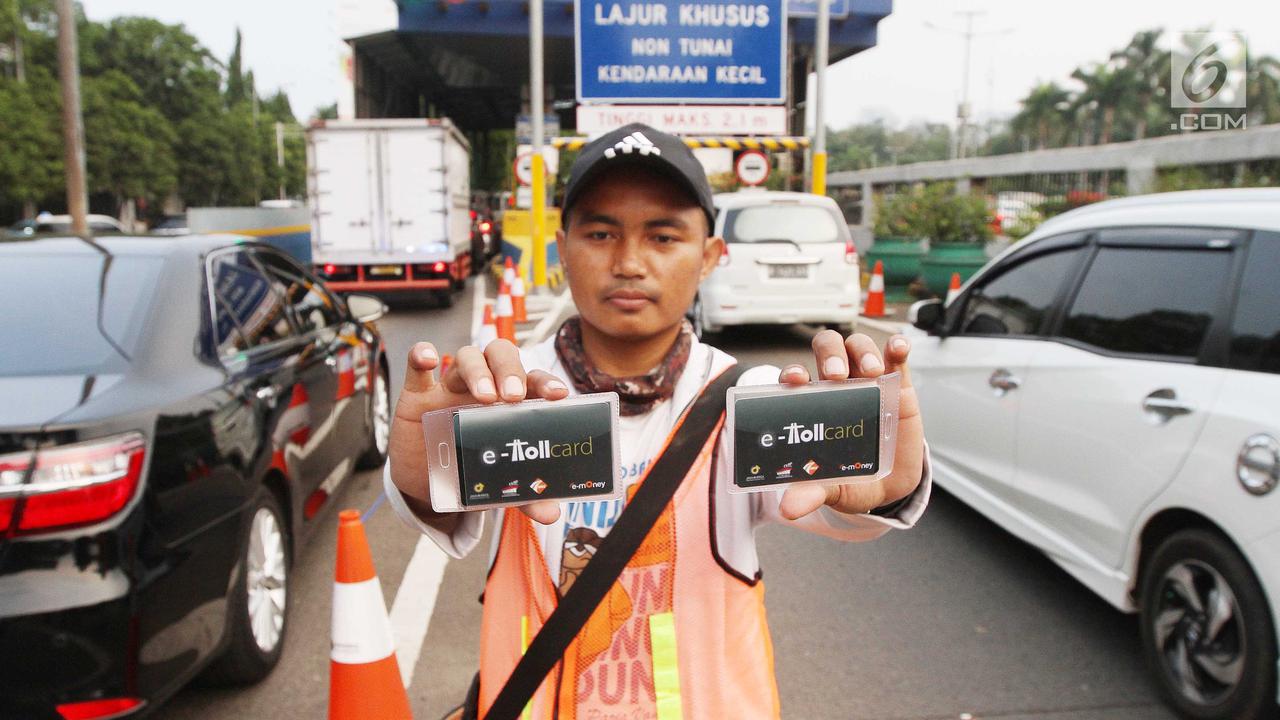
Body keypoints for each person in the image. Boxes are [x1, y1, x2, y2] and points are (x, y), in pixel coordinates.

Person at [385, 123, 931, 719]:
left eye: (663, 236)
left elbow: (835, 498)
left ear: (710, 257)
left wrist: (883, 479)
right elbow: (438, 501)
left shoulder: (747, 405)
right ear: (562, 248)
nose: (628, 263)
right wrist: (423, 470)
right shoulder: (503, 396)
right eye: (601, 233)